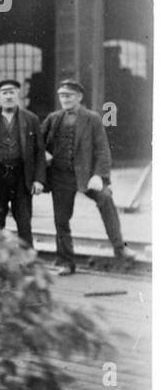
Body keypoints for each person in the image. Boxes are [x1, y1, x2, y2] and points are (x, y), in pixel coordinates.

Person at [41, 77, 138, 275]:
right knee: (61, 219)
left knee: (105, 198)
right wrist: (43, 154)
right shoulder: (53, 118)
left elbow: (102, 150)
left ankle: (121, 249)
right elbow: (38, 142)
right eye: (61, 96)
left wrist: (100, 176)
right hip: (60, 176)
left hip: (86, 175)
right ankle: (66, 262)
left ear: (79, 97)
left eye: (68, 96)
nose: (64, 99)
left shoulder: (92, 118)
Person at [0, 79, 45, 248]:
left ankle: (27, 262)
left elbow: (39, 151)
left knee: (24, 222)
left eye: (12, 92)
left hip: (21, 177)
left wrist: (38, 179)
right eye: (4, 93)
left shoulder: (31, 119)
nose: (8, 96)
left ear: (18, 94)